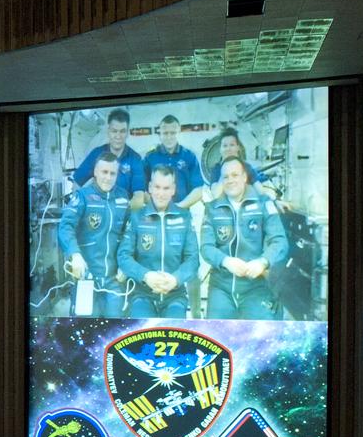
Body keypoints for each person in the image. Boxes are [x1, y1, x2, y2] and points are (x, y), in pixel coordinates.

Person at [200, 158, 289, 320]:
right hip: (221, 286)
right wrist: (226, 261)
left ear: (244, 177)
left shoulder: (264, 204)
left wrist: (263, 262)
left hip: (256, 285)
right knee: (215, 335)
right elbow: (206, 247)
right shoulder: (212, 208)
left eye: (235, 175)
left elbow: (280, 241)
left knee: (262, 336)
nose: (230, 180)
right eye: (225, 177)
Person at [118, 165, 199, 318]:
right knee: (143, 334)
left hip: (175, 296)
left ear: (173, 189)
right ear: (150, 187)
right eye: (157, 187)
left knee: (173, 335)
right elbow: (123, 256)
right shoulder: (136, 217)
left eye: (166, 188)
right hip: (142, 295)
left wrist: (176, 279)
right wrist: (146, 276)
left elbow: (193, 259)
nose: (161, 193)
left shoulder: (185, 218)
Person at [58, 152, 130, 317]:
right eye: (104, 172)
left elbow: (129, 234)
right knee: (86, 330)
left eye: (112, 173)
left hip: (114, 280)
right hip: (86, 278)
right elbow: (65, 226)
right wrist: (74, 255)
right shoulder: (82, 197)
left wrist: (127, 265)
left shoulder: (123, 198)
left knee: (116, 329)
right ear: (96, 172)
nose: (108, 177)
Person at [72, 109, 147, 205]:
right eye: (114, 131)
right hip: (99, 212)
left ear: (128, 132)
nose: (118, 136)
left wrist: (120, 212)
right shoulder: (96, 154)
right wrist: (78, 208)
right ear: (108, 131)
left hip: (124, 212)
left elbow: (139, 197)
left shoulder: (135, 159)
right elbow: (77, 184)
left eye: (122, 131)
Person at [144, 115, 204, 208]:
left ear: (179, 132)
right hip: (156, 212)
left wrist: (180, 207)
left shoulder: (189, 156)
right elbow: (142, 189)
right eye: (165, 133)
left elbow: (199, 189)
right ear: (160, 134)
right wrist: (157, 207)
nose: (169, 137)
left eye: (173, 133)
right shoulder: (150, 157)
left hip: (184, 209)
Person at [208, 128, 280, 202]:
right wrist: (225, 169)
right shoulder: (216, 170)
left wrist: (275, 201)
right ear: (220, 149)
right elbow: (216, 195)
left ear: (238, 147)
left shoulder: (247, 167)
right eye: (225, 146)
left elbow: (260, 191)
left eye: (232, 145)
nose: (228, 149)